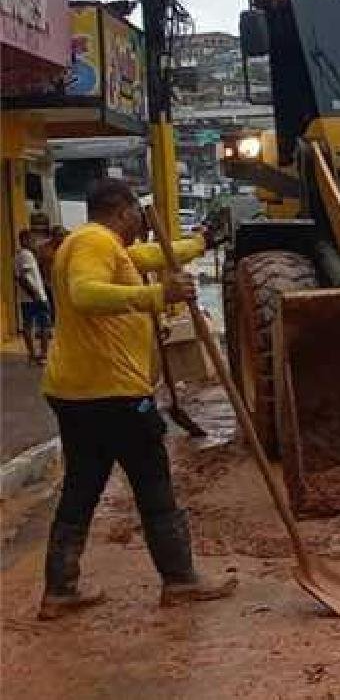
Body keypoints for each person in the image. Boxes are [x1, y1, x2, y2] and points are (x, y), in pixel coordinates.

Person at [37, 178, 237, 620]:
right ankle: (181, 580)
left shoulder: (94, 243)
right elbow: (84, 294)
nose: (140, 225)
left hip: (78, 391)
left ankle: (60, 588)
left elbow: (148, 256)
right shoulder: (94, 243)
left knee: (82, 485)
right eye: (136, 216)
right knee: (154, 485)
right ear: (123, 211)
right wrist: (157, 294)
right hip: (113, 393)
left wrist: (199, 243)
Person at [15, 229, 52, 365]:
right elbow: (23, 277)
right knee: (44, 325)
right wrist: (35, 294)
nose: (35, 243)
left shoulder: (21, 255)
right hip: (36, 297)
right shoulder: (26, 255)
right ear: (25, 240)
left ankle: (32, 355)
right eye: (32, 240)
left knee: (29, 325)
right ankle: (43, 355)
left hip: (27, 298)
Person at [36, 225, 69, 322]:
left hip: (63, 282)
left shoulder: (66, 247)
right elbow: (39, 264)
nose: (61, 238)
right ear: (53, 236)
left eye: (62, 235)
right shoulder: (44, 248)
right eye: (59, 235)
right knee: (51, 306)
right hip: (48, 282)